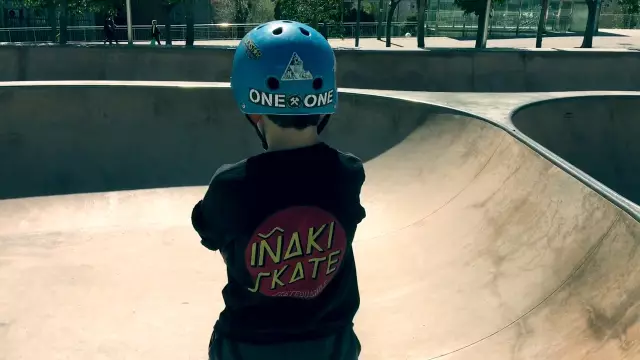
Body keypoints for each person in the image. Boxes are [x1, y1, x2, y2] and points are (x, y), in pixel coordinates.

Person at [191, 20, 366, 360]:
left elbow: (208, 230)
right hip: (332, 344)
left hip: (249, 346)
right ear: (327, 98)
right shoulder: (348, 174)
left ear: (250, 105)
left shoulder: (231, 186)